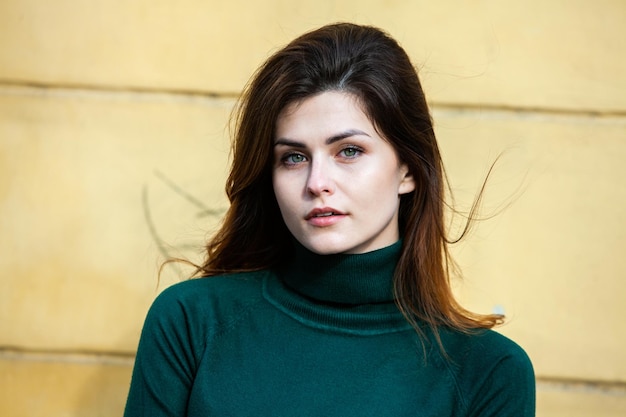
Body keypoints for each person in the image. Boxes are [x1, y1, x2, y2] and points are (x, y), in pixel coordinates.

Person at [124, 22, 535, 416]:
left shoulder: (488, 372)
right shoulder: (191, 323)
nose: (317, 182)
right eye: (294, 157)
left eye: (349, 151)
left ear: (408, 170)